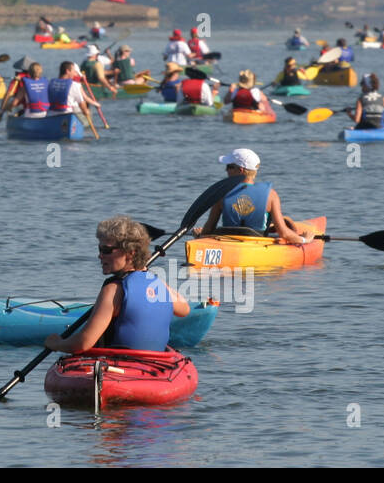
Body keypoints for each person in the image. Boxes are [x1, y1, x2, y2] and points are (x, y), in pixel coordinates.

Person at [44, 215, 189, 354]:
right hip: (155, 367)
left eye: (106, 250)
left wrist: (57, 343)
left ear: (130, 253)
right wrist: (145, 273)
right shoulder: (159, 285)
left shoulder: (113, 291)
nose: (100, 256)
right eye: (100, 249)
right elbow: (184, 309)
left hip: (118, 367)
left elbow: (84, 343)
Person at [200, 148, 312, 244]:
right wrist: (304, 240)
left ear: (240, 170)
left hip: (228, 243)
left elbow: (208, 229)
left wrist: (199, 236)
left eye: (229, 167)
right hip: (257, 244)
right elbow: (284, 233)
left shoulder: (221, 193)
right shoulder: (271, 195)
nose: (226, 170)